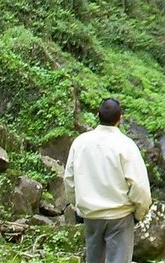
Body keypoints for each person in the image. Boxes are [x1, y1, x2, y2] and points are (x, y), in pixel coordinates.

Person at [64, 97, 152, 263]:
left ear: (98, 115)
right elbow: (139, 186)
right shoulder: (126, 145)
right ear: (120, 118)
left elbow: (69, 179)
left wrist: (78, 205)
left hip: (91, 214)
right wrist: (139, 212)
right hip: (120, 215)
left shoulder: (80, 143)